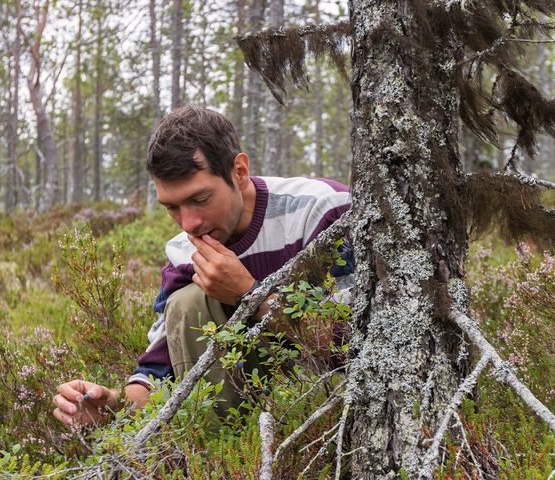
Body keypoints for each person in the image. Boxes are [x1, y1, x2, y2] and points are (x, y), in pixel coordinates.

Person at [52, 106, 351, 428]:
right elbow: (161, 372)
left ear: (239, 171)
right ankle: (224, 452)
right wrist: (112, 403)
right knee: (188, 302)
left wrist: (249, 295)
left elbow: (358, 342)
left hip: (335, 401)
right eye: (172, 207)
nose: (189, 223)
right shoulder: (184, 251)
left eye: (200, 199)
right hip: (242, 416)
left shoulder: (321, 210)